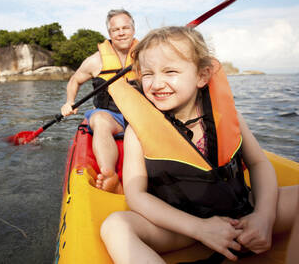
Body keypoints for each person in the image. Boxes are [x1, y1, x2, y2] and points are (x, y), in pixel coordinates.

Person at [100, 26, 299, 263]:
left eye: (170, 71)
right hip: (183, 228)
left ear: (202, 76)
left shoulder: (227, 116)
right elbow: (136, 196)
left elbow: (258, 164)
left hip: (241, 216)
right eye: (148, 74)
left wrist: (263, 217)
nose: (156, 83)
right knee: (115, 226)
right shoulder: (137, 131)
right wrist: (199, 228)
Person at [61, 9, 139, 194]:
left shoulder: (149, 55)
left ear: (133, 29)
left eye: (125, 28)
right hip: (112, 117)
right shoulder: (95, 61)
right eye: (115, 29)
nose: (121, 33)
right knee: (99, 120)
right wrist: (69, 101)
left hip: (140, 116)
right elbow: (75, 80)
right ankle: (109, 174)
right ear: (109, 33)